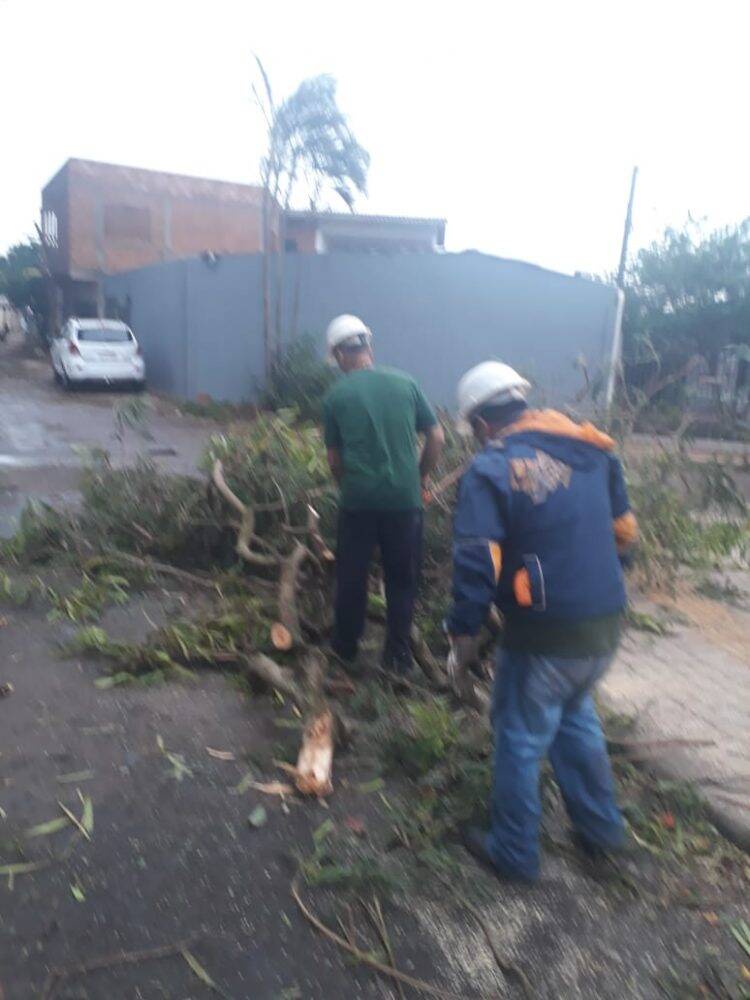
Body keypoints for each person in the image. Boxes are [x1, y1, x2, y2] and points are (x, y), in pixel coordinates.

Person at [445, 360, 638, 884]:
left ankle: (513, 853)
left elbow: (476, 559)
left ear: (482, 423)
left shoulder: (492, 467)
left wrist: (462, 635)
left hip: (544, 636)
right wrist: (597, 583)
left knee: (519, 737)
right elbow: (624, 534)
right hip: (602, 626)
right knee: (575, 721)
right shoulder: (596, 452)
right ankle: (602, 834)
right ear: (521, 403)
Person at [323, 314, 445, 675]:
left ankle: (345, 650)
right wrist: (419, 479)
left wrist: (349, 485)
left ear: (339, 355)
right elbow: (437, 437)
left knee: (352, 576)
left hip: (359, 502)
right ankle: (397, 657)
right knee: (402, 578)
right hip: (404, 502)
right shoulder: (406, 383)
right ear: (368, 347)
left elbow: (334, 459)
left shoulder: (335, 396)